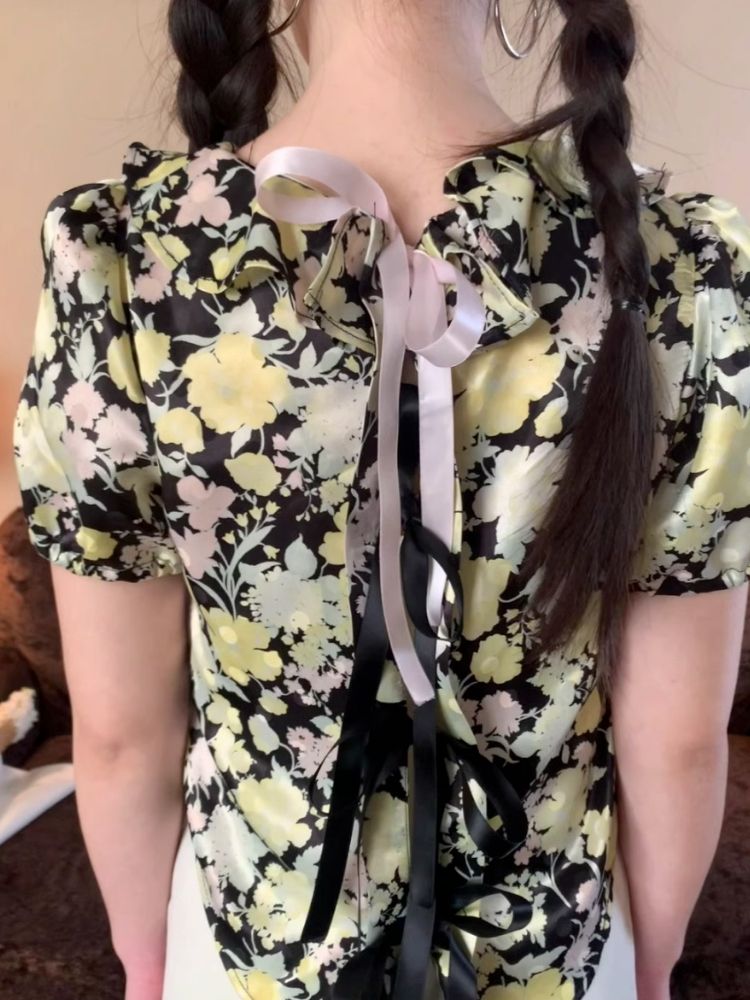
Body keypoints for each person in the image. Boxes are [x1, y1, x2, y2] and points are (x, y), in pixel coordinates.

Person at [11, 0, 750, 998]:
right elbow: (679, 742)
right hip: (555, 952)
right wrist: (653, 964)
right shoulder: (681, 265)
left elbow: (121, 737)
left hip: (247, 949)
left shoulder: (125, 257)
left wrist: (146, 964)